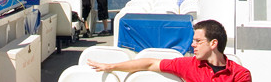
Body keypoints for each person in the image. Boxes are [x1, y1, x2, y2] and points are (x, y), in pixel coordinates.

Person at [88, 19, 252, 81]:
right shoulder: (188, 65)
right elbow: (150, 63)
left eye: (198, 41)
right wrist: (111, 67)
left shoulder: (240, 74)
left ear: (213, 43)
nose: (192, 45)